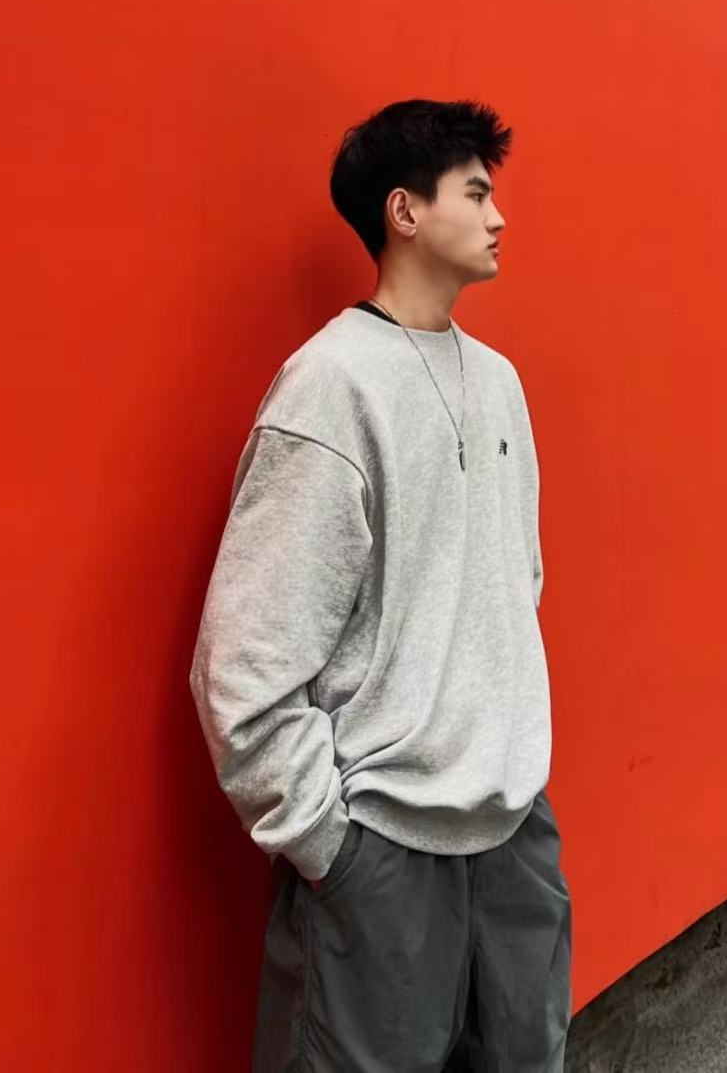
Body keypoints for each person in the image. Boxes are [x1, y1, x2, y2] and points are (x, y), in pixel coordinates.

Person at [189, 97, 571, 1072]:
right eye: (475, 193)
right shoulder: (331, 388)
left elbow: (515, 585)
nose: (498, 216)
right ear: (404, 211)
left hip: (512, 838)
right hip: (383, 852)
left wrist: (511, 759)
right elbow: (244, 661)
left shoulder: (501, 384)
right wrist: (331, 847)